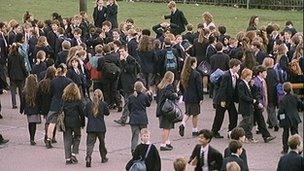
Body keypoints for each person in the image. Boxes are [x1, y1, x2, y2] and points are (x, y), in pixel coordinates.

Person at [211, 59, 241, 138]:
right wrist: (222, 101)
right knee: (219, 116)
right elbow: (223, 89)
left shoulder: (234, 75)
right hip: (223, 100)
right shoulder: (226, 76)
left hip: (230, 100)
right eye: (238, 66)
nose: (239, 68)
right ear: (234, 66)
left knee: (234, 115)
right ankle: (214, 131)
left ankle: (231, 131)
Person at [45, 64, 72, 149]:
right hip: (65, 104)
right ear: (65, 70)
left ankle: (48, 139)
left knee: (52, 122)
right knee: (68, 123)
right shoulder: (69, 81)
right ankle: (69, 140)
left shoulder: (53, 81)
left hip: (55, 103)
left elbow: (51, 92)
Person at [114, 45, 141, 126]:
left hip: (130, 84)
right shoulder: (123, 59)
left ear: (126, 51)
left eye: (122, 51)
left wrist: (123, 62)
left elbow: (130, 69)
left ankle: (123, 119)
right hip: (124, 84)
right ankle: (132, 119)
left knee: (127, 102)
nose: (121, 53)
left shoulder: (131, 59)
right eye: (120, 52)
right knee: (129, 102)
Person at [179, 56, 203, 137]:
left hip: (187, 95)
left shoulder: (184, 73)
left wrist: (183, 93)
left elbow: (181, 86)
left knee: (188, 112)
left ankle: (183, 123)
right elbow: (199, 87)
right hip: (195, 96)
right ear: (193, 63)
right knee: (195, 114)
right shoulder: (196, 74)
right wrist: (201, 97)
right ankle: (194, 130)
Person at [85, 89, 110, 167]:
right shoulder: (103, 104)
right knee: (102, 143)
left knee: (90, 144)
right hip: (101, 127)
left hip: (91, 127)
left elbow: (85, 113)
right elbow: (107, 113)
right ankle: (103, 157)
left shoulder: (89, 104)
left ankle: (88, 157)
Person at [252, 65, 276, 143]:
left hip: (260, 104)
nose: (266, 74)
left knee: (256, 121)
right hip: (257, 105)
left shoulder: (262, 80)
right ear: (260, 73)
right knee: (257, 121)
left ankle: (266, 136)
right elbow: (257, 94)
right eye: (265, 72)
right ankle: (266, 136)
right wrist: (259, 103)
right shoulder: (256, 81)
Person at [62, 83, 84, 164]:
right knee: (77, 136)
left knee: (67, 139)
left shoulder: (64, 100)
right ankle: (74, 153)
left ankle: (67, 158)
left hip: (66, 121)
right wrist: (83, 123)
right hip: (76, 122)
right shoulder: (78, 101)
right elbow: (82, 113)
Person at [278, 82, 303, 154]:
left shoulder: (283, 99)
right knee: (295, 134)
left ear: (284, 90)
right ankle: (299, 148)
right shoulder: (295, 97)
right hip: (295, 117)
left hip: (286, 118)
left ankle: (285, 149)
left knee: (285, 134)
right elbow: (300, 104)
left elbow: (281, 111)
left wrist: (280, 119)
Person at [156, 71, 178, 151]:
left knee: (166, 127)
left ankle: (167, 142)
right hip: (166, 110)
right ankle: (163, 144)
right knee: (167, 127)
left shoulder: (160, 86)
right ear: (171, 79)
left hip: (160, 109)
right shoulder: (169, 86)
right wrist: (175, 95)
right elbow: (169, 95)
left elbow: (157, 99)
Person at [128, 81, 153, 153]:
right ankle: (145, 148)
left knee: (135, 136)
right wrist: (150, 96)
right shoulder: (144, 96)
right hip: (142, 118)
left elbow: (129, 107)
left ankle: (134, 150)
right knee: (144, 134)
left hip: (134, 118)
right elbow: (148, 104)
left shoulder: (131, 97)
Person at [237, 69, 258, 143]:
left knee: (250, 123)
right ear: (246, 76)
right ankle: (235, 132)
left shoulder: (247, 84)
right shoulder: (242, 84)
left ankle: (249, 137)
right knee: (245, 122)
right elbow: (242, 96)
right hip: (245, 106)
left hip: (249, 106)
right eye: (250, 76)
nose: (251, 77)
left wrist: (252, 86)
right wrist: (251, 100)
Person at [20, 74, 41, 145]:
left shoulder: (25, 91)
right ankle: (33, 138)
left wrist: (21, 109)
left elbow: (22, 101)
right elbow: (39, 100)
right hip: (35, 108)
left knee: (30, 123)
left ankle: (31, 138)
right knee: (34, 124)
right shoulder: (37, 89)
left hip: (28, 109)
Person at [37, 66, 57, 144]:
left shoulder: (42, 82)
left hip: (44, 105)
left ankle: (47, 135)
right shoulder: (55, 82)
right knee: (53, 122)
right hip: (53, 104)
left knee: (47, 121)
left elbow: (38, 95)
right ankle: (53, 137)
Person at [7, 43, 28, 109]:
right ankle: (22, 104)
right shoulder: (21, 56)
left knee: (13, 91)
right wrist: (26, 74)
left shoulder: (10, 56)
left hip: (12, 75)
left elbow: (9, 67)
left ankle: (14, 104)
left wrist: (9, 74)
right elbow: (23, 67)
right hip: (20, 76)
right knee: (21, 91)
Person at [262, 57, 279, 131]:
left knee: (270, 109)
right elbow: (278, 80)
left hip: (268, 92)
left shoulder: (265, 72)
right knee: (272, 109)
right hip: (275, 92)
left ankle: (275, 124)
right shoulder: (274, 71)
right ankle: (270, 123)